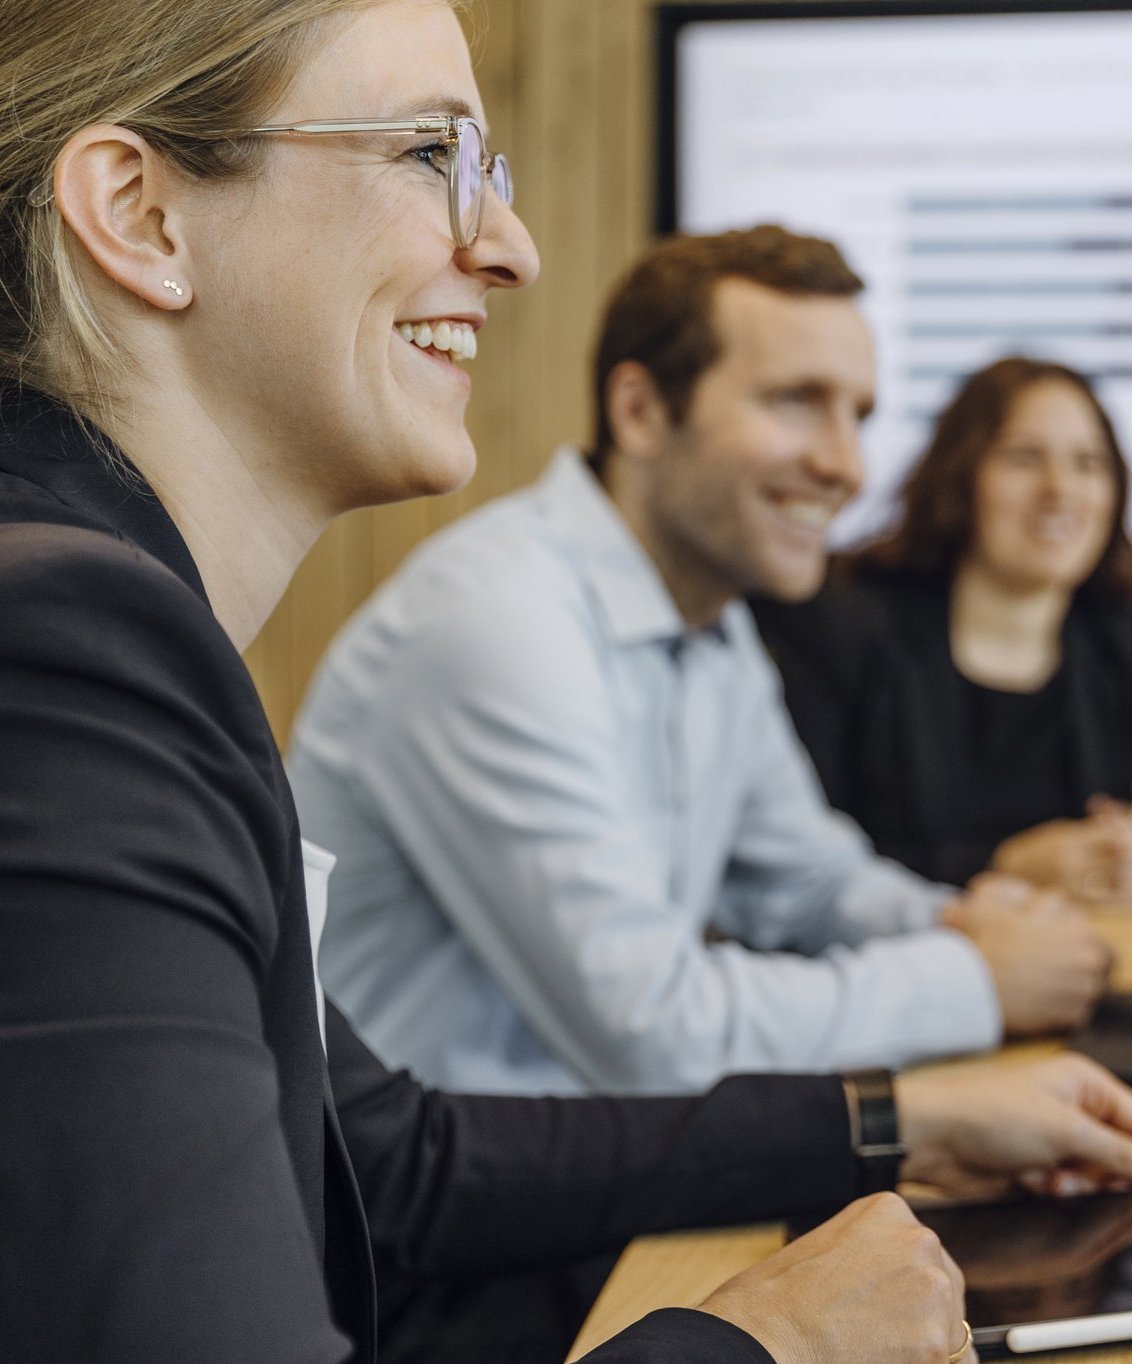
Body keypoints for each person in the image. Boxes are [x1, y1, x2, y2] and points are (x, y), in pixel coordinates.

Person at [7, 7, 1132, 1362]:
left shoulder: (129, 626)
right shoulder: (73, 648)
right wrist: (766, 1351)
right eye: (431, 152)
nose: (515, 249)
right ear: (141, 214)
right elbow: (637, 1031)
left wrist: (899, 1115)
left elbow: (394, 1152)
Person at [289, 227, 1108, 1099]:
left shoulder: (714, 619)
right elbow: (651, 1030)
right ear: (640, 412)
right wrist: (976, 981)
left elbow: (807, 883)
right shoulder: (496, 620)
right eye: (797, 401)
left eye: (858, 416)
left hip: (576, 1171)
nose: (846, 465)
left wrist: (963, 923)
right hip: (418, 1215)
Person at [752, 356, 1132, 892]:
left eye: (1089, 463)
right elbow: (796, 867)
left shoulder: (1118, 643)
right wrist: (1001, 866)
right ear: (962, 473)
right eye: (1025, 458)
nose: (1060, 489)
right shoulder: (840, 630)